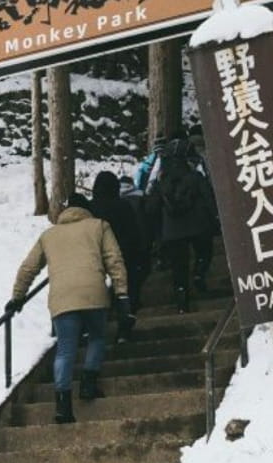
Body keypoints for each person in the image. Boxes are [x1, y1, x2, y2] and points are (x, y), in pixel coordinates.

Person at [5, 194, 128, 425]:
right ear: (86, 209)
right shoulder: (99, 226)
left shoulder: (49, 235)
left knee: (65, 349)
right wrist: (122, 292)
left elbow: (28, 267)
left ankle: (63, 405)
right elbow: (115, 260)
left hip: (62, 298)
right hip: (93, 293)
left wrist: (17, 297)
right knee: (97, 337)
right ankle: (89, 384)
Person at [146, 137, 218, 313]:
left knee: (179, 265)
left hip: (172, 230)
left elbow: (151, 207)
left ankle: (181, 300)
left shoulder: (161, 179)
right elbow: (209, 198)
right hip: (198, 225)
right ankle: (199, 272)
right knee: (204, 251)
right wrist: (214, 218)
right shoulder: (195, 176)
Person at [89, 170, 142, 338]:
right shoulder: (123, 205)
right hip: (123, 252)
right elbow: (133, 231)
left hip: (96, 254)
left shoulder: (90, 208)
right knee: (124, 289)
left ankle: (93, 326)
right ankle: (124, 325)